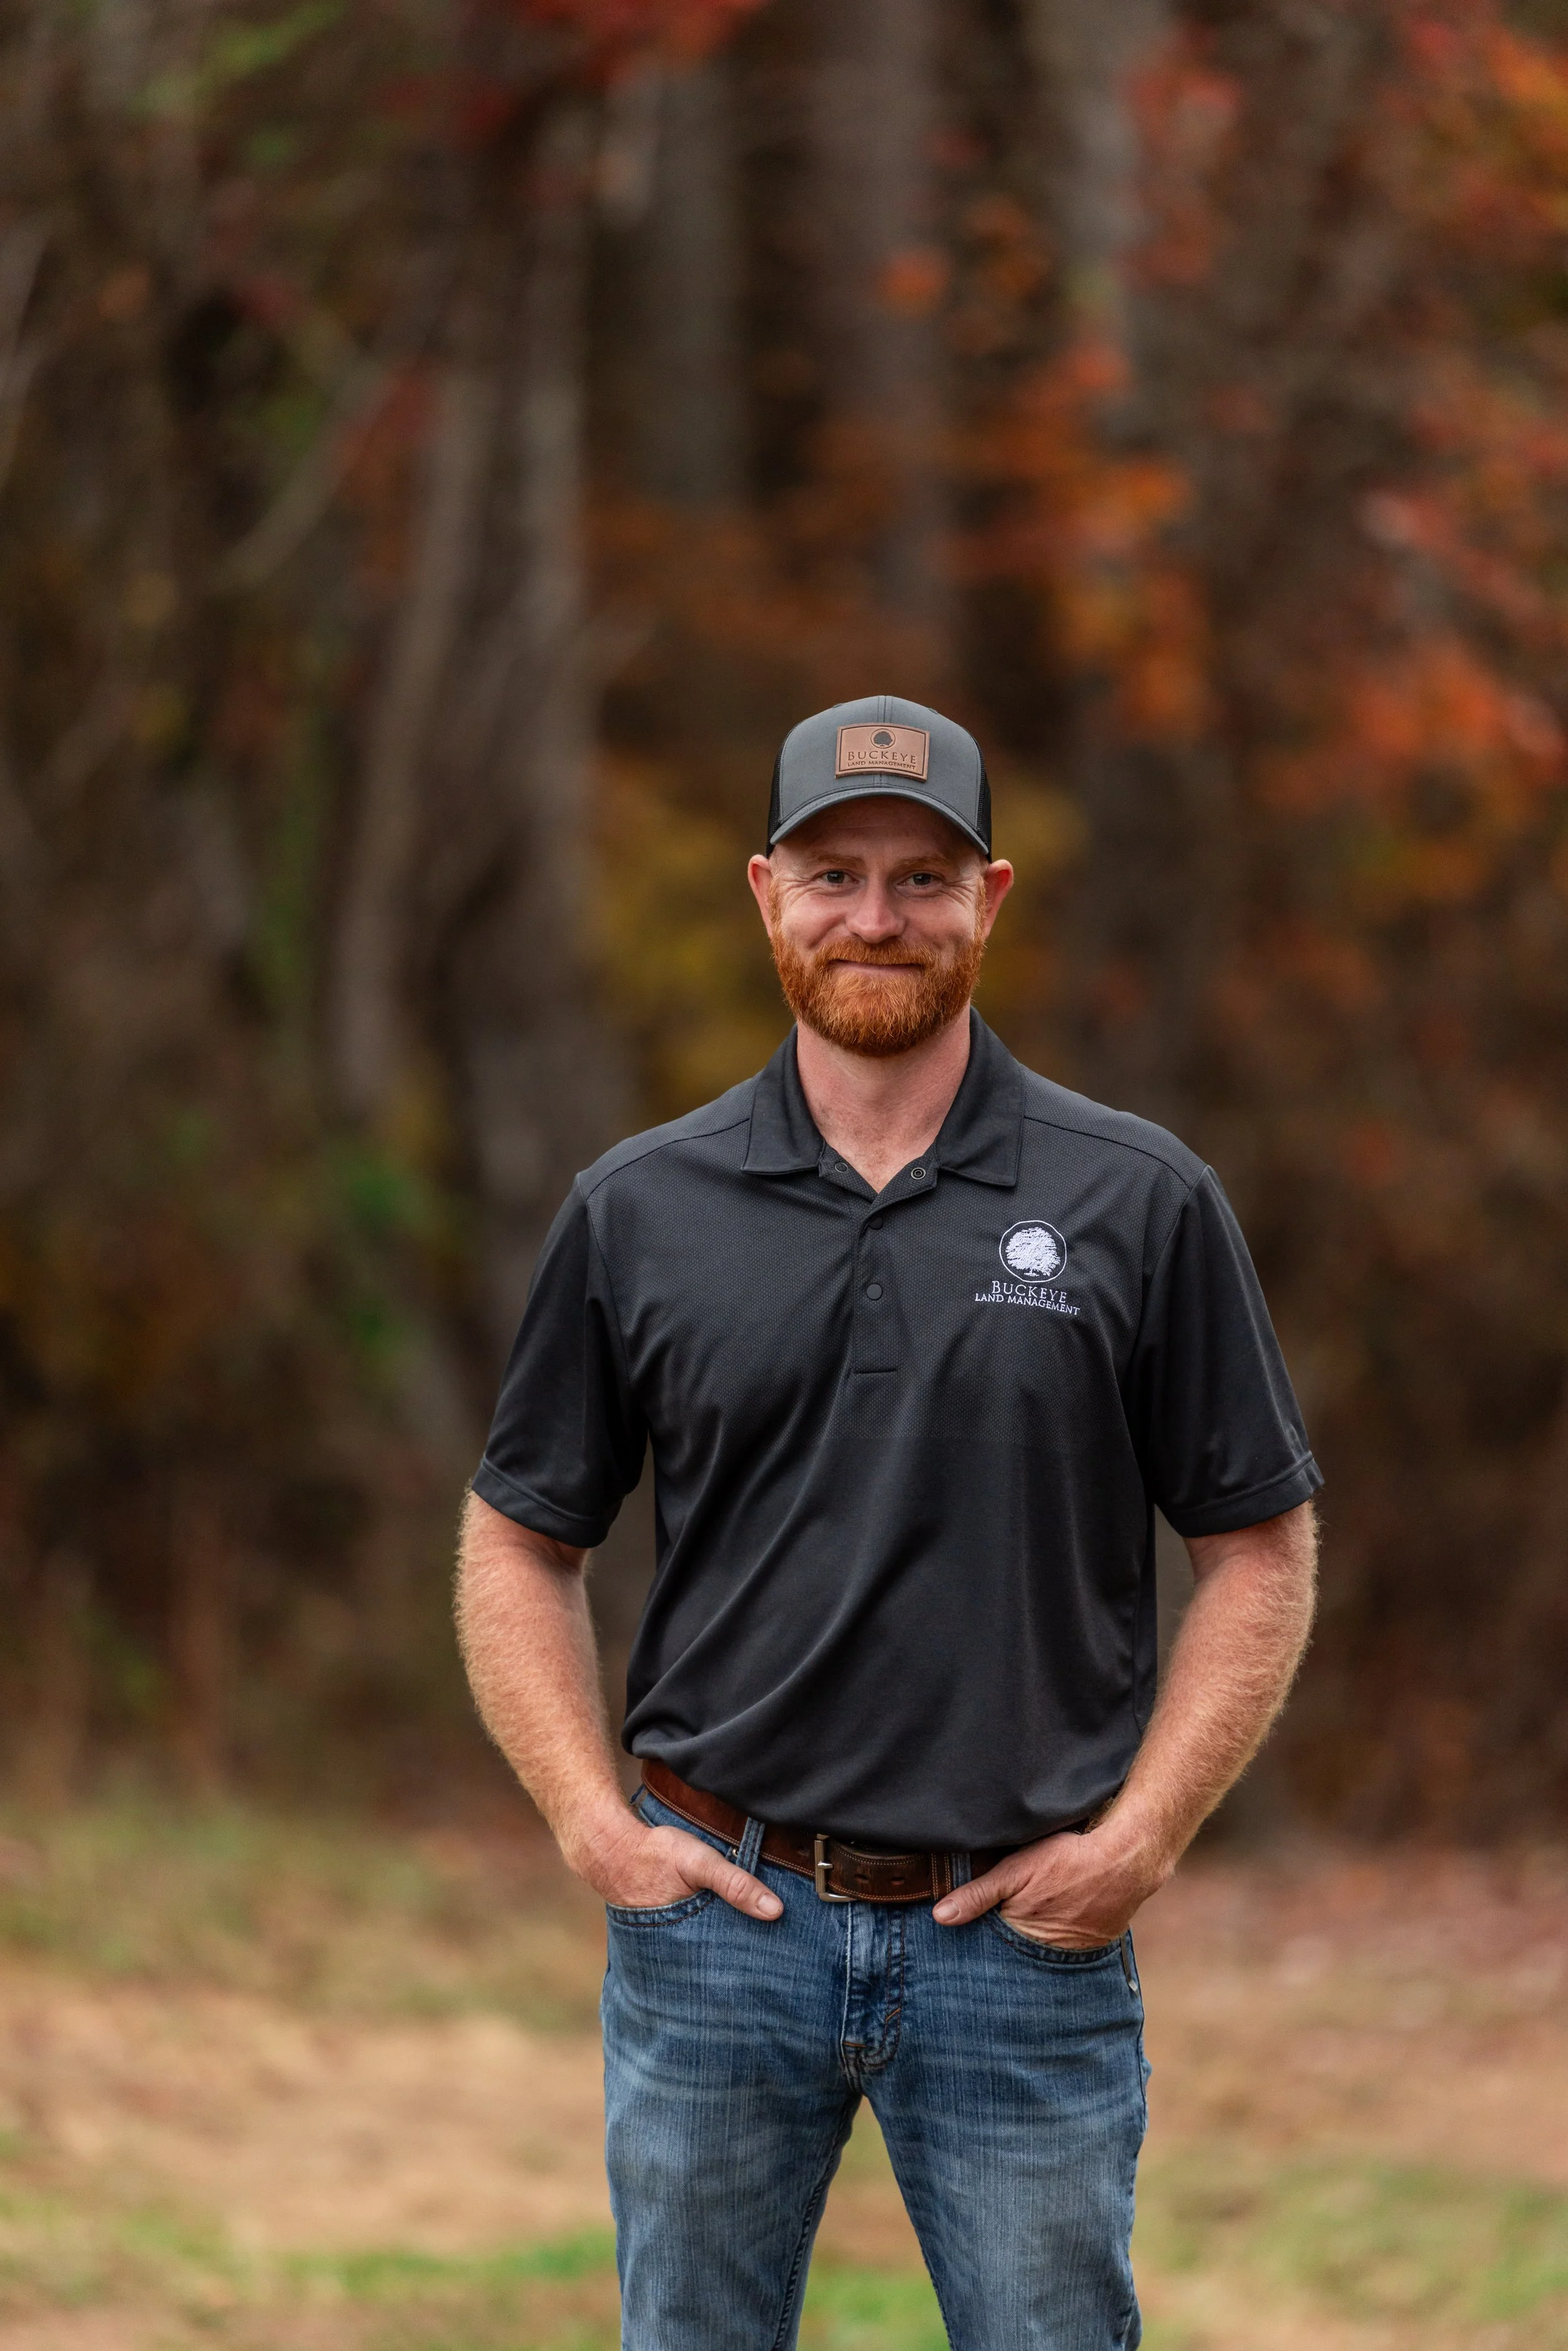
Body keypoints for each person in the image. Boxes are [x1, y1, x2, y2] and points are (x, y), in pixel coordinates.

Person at [457, 693, 1321, 2351]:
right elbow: (517, 1538)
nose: (874, 918)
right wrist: (594, 1830)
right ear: (763, 892)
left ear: (989, 897)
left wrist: (1137, 1842)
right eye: (832, 873)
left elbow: (1258, 1549)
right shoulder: (638, 1208)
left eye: (918, 878)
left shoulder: (1133, 1200)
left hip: (1023, 1943)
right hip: (713, 1927)